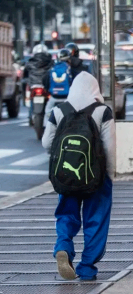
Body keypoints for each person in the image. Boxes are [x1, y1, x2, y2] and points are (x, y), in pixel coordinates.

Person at [42, 71, 116, 281]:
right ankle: (87, 268)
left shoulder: (59, 110)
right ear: (95, 89)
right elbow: (109, 147)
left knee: (66, 213)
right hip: (96, 176)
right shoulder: (102, 111)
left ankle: (63, 246)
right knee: (96, 219)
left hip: (66, 174)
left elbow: (47, 143)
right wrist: (110, 175)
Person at [23, 44, 54, 122]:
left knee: (30, 99)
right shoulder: (50, 61)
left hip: (33, 86)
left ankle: (30, 116)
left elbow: (25, 74)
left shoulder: (30, 62)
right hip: (45, 86)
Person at [42, 49, 72, 127]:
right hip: (66, 97)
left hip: (54, 96)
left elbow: (45, 79)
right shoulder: (69, 69)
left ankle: (46, 128)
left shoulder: (53, 68)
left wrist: (48, 89)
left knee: (47, 112)